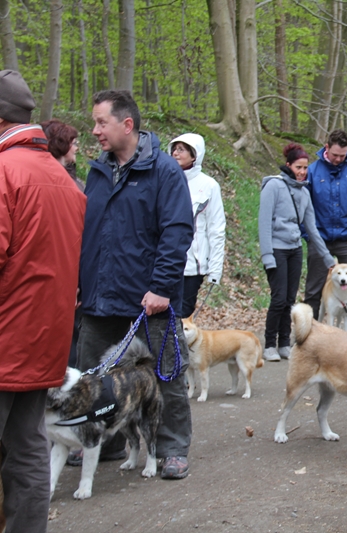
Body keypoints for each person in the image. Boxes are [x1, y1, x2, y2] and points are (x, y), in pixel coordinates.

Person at [74, 90, 194, 479]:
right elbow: (86, 231)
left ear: (127, 124)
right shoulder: (96, 171)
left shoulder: (163, 171)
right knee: (93, 374)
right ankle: (103, 442)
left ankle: (172, 447)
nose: (94, 131)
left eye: (101, 122)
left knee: (165, 374)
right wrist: (80, 281)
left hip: (150, 300)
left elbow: (177, 233)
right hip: (98, 295)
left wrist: (161, 287)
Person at [0, 70, 86, 533]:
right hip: (44, 340)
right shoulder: (63, 177)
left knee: (25, 446)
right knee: (29, 447)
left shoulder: (4, 171)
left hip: (6, 336)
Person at [259, 142, 335, 361]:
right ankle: (269, 344)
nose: (302, 172)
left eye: (305, 168)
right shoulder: (273, 186)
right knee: (279, 298)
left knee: (291, 298)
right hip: (276, 249)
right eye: (298, 167)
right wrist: (267, 256)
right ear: (288, 165)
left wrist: (328, 259)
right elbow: (264, 223)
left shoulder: (304, 192)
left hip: (294, 250)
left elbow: (312, 229)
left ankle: (285, 342)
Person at [304, 130, 347, 322]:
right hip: (320, 238)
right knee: (314, 288)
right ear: (326, 148)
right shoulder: (312, 171)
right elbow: (302, 205)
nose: (338, 159)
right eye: (335, 155)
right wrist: (307, 234)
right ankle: (310, 331)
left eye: (342, 156)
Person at [167, 133, 226, 319]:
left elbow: (216, 228)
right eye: (174, 149)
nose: (176, 153)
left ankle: (178, 348)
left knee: (182, 317)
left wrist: (215, 269)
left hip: (193, 266)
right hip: (164, 263)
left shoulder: (209, 186)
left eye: (181, 149)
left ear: (195, 155)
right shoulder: (163, 180)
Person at [41, 118, 85, 367]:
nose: (77, 147)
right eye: (73, 143)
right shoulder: (61, 182)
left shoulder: (74, 181)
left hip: (71, 275)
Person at [41, 119, 83, 191]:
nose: (76, 148)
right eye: (74, 144)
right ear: (61, 145)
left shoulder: (73, 178)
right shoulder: (48, 179)